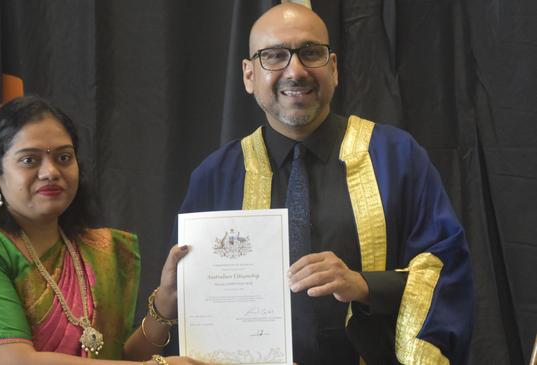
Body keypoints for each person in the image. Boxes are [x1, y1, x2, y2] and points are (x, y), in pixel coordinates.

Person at [173, 3, 473, 364]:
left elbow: (446, 269)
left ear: (333, 68)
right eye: (275, 56)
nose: (295, 71)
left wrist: (363, 286)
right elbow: (197, 303)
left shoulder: (396, 157)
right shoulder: (215, 177)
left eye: (311, 53)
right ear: (249, 75)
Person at [0, 96, 204, 365]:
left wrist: (164, 306)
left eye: (64, 157)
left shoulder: (95, 249)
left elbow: (117, 360)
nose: (51, 171)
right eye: (30, 160)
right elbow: (11, 361)